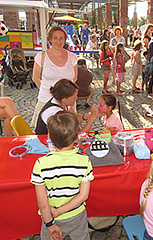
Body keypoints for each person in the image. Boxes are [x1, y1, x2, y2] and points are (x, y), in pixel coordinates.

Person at [31, 110, 94, 240]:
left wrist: (50, 223)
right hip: (76, 215)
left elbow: (42, 202)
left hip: (50, 216)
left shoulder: (40, 164)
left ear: (49, 137)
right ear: (77, 136)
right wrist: (59, 211)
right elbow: (83, 195)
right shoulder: (84, 161)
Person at [31, 26, 78, 128]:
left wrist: (65, 94)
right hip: (46, 99)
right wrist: (53, 93)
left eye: (61, 38)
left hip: (67, 101)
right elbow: (35, 78)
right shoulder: (41, 56)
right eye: (55, 38)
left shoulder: (72, 57)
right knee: (44, 132)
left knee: (68, 130)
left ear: (65, 40)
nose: (58, 41)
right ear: (50, 39)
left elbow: (74, 79)